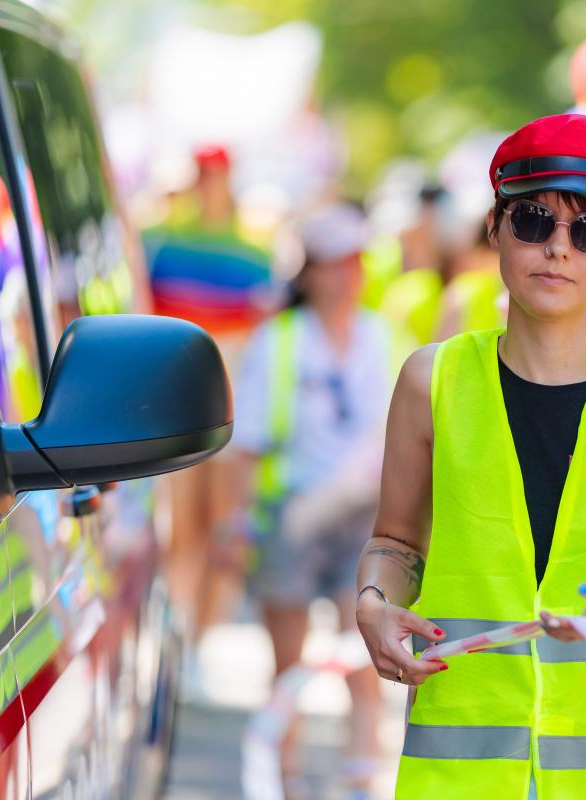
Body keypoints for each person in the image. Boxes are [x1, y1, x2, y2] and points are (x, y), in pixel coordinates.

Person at [355, 114, 586, 799]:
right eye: (533, 221)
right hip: (454, 779)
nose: (558, 248)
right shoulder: (431, 379)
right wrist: (374, 601)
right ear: (495, 227)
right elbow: (396, 540)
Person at [227, 203, 393, 798]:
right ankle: (287, 776)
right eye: (334, 264)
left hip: (363, 515)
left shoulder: (381, 335)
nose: (347, 276)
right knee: (288, 662)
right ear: (311, 272)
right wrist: (239, 523)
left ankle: (361, 772)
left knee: (367, 651)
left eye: (355, 262)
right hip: (291, 514)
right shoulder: (280, 340)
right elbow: (247, 443)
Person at [142, 145, 275, 649]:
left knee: (222, 528)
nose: (210, 185)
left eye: (215, 175)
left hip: (230, 405)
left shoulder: (254, 248)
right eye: (203, 175)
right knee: (183, 528)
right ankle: (182, 633)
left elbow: (261, 333)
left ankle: (201, 638)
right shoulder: (163, 239)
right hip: (177, 403)